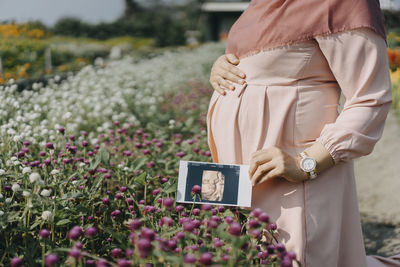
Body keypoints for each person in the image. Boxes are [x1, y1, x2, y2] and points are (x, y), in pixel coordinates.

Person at [206, 0, 400, 266]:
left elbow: (370, 98)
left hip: (292, 177)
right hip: (238, 172)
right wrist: (223, 68)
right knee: (244, 256)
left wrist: (305, 163)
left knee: (296, 258)